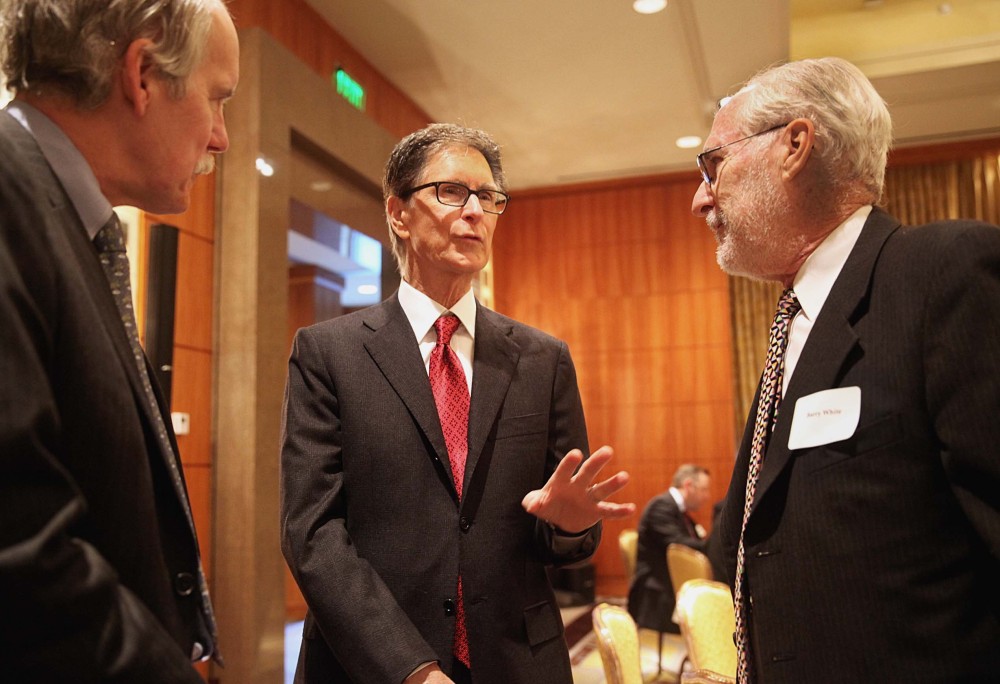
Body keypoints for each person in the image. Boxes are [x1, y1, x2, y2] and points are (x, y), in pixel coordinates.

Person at [280, 123, 636, 684]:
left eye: (489, 198)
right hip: (371, 665)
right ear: (398, 212)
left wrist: (569, 527)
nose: (475, 211)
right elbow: (312, 534)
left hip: (518, 662)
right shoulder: (328, 354)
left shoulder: (542, 359)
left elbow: (564, 529)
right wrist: (410, 668)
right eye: (452, 192)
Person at [691, 57, 1000, 683]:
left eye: (713, 164)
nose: (701, 197)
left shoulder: (944, 274)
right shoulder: (797, 322)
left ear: (794, 146)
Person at [0, 1, 239, 681]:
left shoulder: (66, 221)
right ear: (141, 74)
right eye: (216, 99)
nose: (220, 136)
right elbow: (22, 552)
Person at [627, 464, 711, 635]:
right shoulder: (662, 507)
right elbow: (681, 545)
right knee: (711, 614)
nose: (707, 496)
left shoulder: (677, 510)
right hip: (656, 596)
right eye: (703, 490)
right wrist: (715, 544)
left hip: (668, 587)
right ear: (688, 485)